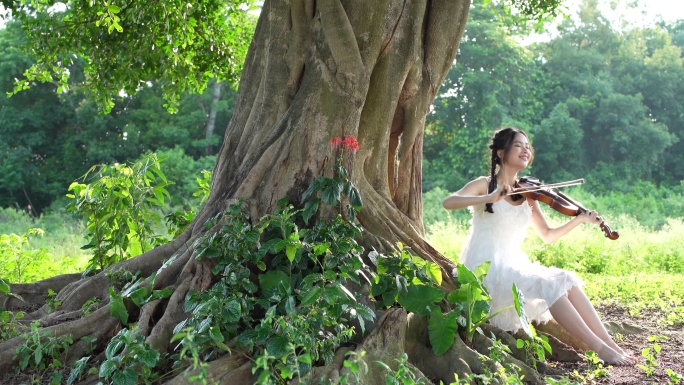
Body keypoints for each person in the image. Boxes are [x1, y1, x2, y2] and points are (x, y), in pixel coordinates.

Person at [442, 127, 636, 366]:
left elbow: (548, 235)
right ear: (501, 153)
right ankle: (599, 349)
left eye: (528, 146)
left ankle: (611, 345)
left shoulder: (529, 192)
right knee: (548, 285)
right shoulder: (484, 184)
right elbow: (449, 202)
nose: (526, 150)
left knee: (567, 280)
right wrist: (489, 197)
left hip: (513, 261)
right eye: (518, 145)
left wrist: (579, 219)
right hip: (486, 265)